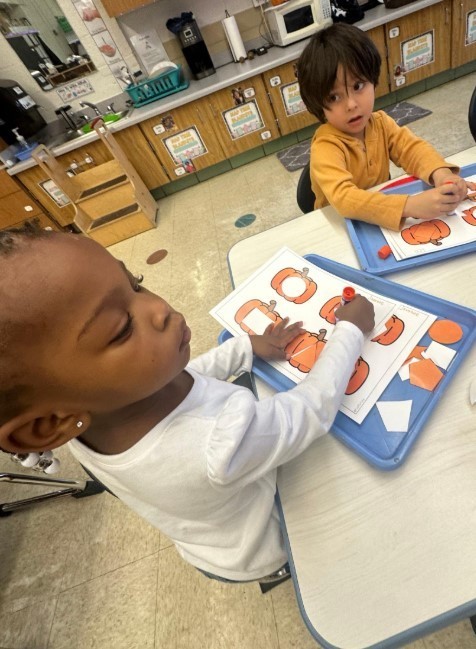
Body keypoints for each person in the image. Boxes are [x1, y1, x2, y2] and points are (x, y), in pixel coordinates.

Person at [0, 226, 374, 584]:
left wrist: (243, 348)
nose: (159, 308)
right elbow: (312, 409)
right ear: (46, 425)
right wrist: (350, 332)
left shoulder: (95, 415)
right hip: (261, 545)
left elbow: (183, 378)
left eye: (135, 285)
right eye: (120, 328)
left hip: (207, 535)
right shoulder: (212, 446)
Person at [297, 23, 469, 230]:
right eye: (334, 97)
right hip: (339, 226)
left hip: (382, 218)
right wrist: (410, 205)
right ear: (318, 105)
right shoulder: (325, 146)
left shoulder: (381, 123)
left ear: (373, 80)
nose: (351, 104)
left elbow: (412, 150)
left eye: (358, 86)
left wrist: (442, 174)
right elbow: (345, 199)